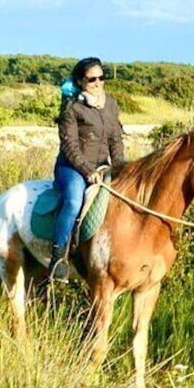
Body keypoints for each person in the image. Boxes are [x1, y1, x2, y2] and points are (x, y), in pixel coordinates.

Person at [49, 57, 124, 283]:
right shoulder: (73, 108)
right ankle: (58, 257)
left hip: (103, 166)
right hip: (72, 168)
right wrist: (87, 170)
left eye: (102, 78)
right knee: (73, 201)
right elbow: (70, 146)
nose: (98, 82)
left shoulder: (110, 104)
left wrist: (120, 167)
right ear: (81, 81)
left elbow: (116, 140)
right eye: (92, 79)